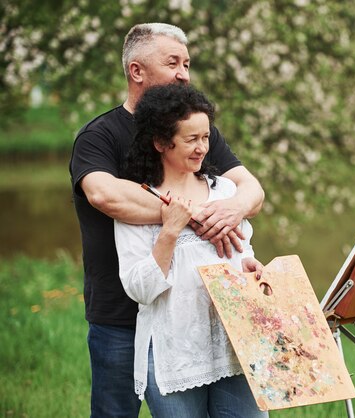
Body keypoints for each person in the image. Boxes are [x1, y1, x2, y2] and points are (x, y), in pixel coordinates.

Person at [69, 23, 264, 417]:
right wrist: (187, 216)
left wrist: (232, 210)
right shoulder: (99, 135)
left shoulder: (195, 130)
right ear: (136, 71)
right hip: (119, 314)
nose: (183, 73)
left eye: (187, 64)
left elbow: (249, 190)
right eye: (172, 62)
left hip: (199, 319)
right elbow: (104, 195)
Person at [114, 83, 267, 417]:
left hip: (235, 347)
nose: (203, 149)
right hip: (175, 356)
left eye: (206, 138)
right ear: (160, 142)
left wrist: (252, 266)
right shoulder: (141, 203)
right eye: (191, 139)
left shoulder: (226, 191)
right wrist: (169, 231)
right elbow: (139, 289)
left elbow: (242, 253)